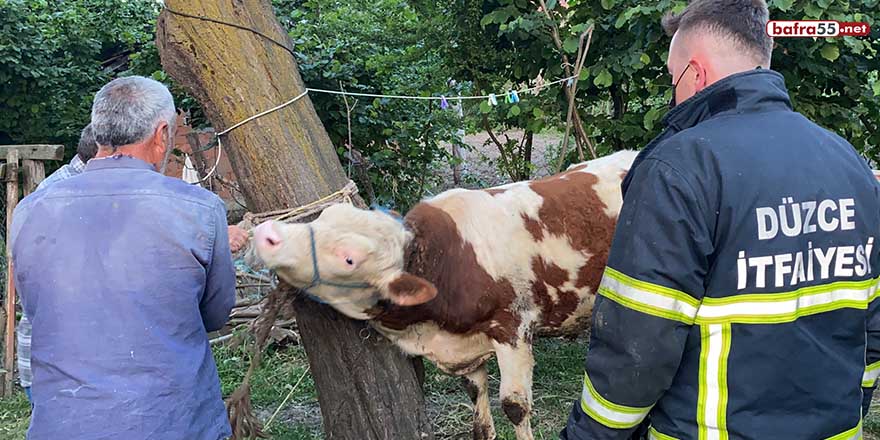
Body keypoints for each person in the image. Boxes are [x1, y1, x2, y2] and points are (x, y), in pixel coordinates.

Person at [561, 1, 880, 439]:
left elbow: (638, 345)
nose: (674, 93)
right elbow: (873, 321)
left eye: (673, 79)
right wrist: (852, 404)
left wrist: (591, 434)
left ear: (695, 72)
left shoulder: (679, 167)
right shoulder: (849, 163)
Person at [10, 76, 236, 440]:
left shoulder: (30, 210)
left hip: (65, 423)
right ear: (162, 134)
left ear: (99, 131)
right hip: (172, 422)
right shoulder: (200, 210)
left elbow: (37, 311)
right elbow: (216, 313)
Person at [16, 124, 99, 402]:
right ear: (100, 155)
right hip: (59, 364)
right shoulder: (63, 197)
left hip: (60, 360)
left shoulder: (76, 188)